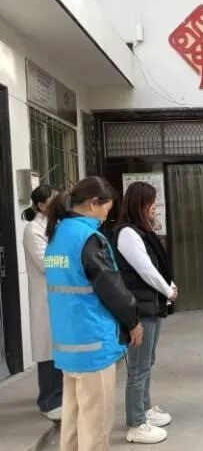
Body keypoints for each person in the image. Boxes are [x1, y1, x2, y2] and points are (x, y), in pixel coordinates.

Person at [44, 176, 143, 451]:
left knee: (74, 422)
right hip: (93, 344)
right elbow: (112, 288)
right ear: (93, 203)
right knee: (95, 427)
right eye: (106, 211)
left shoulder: (57, 234)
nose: (105, 218)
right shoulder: (88, 238)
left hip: (68, 344)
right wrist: (133, 321)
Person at [112, 182, 177, 444]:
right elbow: (145, 270)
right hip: (140, 308)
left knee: (147, 361)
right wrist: (168, 290)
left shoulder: (142, 231)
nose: (154, 207)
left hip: (151, 305)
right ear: (139, 204)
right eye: (151, 202)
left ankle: (145, 408)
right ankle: (136, 422)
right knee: (138, 367)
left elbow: (156, 266)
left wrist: (169, 285)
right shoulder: (127, 233)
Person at [22, 185, 62, 421]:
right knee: (48, 350)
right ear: (41, 205)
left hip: (60, 297)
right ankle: (48, 401)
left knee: (59, 347)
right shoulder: (32, 230)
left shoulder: (56, 225)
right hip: (45, 298)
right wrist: (68, 260)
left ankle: (59, 397)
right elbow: (48, 263)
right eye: (53, 200)